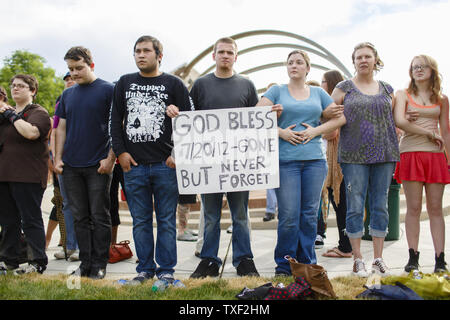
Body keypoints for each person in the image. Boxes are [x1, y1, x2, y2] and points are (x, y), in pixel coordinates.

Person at [167, 37, 261, 278]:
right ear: (214, 56)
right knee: (210, 216)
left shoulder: (247, 85)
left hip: (238, 162)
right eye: (221, 52)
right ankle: (209, 259)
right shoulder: (200, 85)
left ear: (236, 57)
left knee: (240, 215)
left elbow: (257, 122)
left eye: (230, 52)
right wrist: (176, 114)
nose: (226, 56)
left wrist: (270, 114)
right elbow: (188, 119)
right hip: (208, 162)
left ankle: (244, 260)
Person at [110, 35, 194, 284]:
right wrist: (121, 153)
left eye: (146, 51)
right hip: (133, 166)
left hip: (165, 165)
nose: (140, 55)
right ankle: (145, 270)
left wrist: (176, 154)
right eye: (137, 51)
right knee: (141, 221)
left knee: (167, 220)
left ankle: (166, 270)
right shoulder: (124, 83)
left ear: (159, 55)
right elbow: (115, 121)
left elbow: (190, 122)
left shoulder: (174, 83)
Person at [256, 50, 346, 275]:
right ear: (286, 68)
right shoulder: (276, 91)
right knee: (288, 215)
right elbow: (255, 117)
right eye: (290, 63)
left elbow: (340, 118)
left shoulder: (318, 93)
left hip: (315, 162)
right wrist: (280, 133)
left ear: (308, 68)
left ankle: (306, 262)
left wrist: (316, 131)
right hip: (286, 163)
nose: (294, 65)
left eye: (299, 62)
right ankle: (285, 265)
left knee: (308, 215)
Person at [331, 42, 399, 277]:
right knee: (355, 205)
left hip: (385, 152)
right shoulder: (343, 87)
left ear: (375, 60)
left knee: (380, 204)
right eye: (358, 57)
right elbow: (328, 112)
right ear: (353, 61)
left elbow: (396, 119)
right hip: (353, 155)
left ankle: (378, 258)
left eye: (367, 56)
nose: (363, 60)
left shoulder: (388, 88)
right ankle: (358, 258)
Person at [54, 46, 115, 279]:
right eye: (70, 69)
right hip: (71, 165)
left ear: (91, 65)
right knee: (79, 217)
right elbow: (60, 127)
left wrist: (110, 158)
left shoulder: (109, 90)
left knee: (99, 216)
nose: (74, 73)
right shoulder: (67, 95)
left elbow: (117, 126)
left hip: (97, 165)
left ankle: (99, 265)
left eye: (79, 68)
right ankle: (85, 263)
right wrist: (58, 158)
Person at [393, 54, 449, 273]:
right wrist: (427, 132)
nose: (418, 69)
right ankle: (413, 257)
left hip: (436, 156)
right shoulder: (403, 94)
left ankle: (440, 259)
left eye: (423, 66)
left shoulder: (442, 99)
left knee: (436, 209)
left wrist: (449, 160)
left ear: (432, 70)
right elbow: (400, 121)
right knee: (414, 208)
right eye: (415, 66)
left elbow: (445, 131)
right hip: (410, 153)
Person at [0, 75, 51, 275]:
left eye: (21, 86)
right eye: (13, 86)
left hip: (28, 175)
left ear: (32, 91)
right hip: (5, 175)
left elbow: (31, 133)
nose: (15, 89)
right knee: (8, 220)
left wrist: (12, 116)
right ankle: (8, 260)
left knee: (30, 219)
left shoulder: (38, 112)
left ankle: (37, 261)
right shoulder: (4, 114)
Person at [321, 70, 353, 259]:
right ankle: (345, 243)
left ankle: (345, 246)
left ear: (331, 83)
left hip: (337, 161)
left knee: (340, 201)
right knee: (342, 203)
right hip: (342, 158)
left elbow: (331, 133)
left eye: (324, 81)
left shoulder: (335, 105)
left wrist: (314, 132)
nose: (321, 83)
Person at [50, 72, 79, 260]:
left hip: (87, 160)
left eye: (72, 78)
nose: (69, 81)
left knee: (87, 206)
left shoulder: (91, 96)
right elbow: (54, 131)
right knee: (67, 205)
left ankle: (86, 248)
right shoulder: (61, 102)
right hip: (64, 161)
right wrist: (55, 158)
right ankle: (71, 247)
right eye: (66, 79)